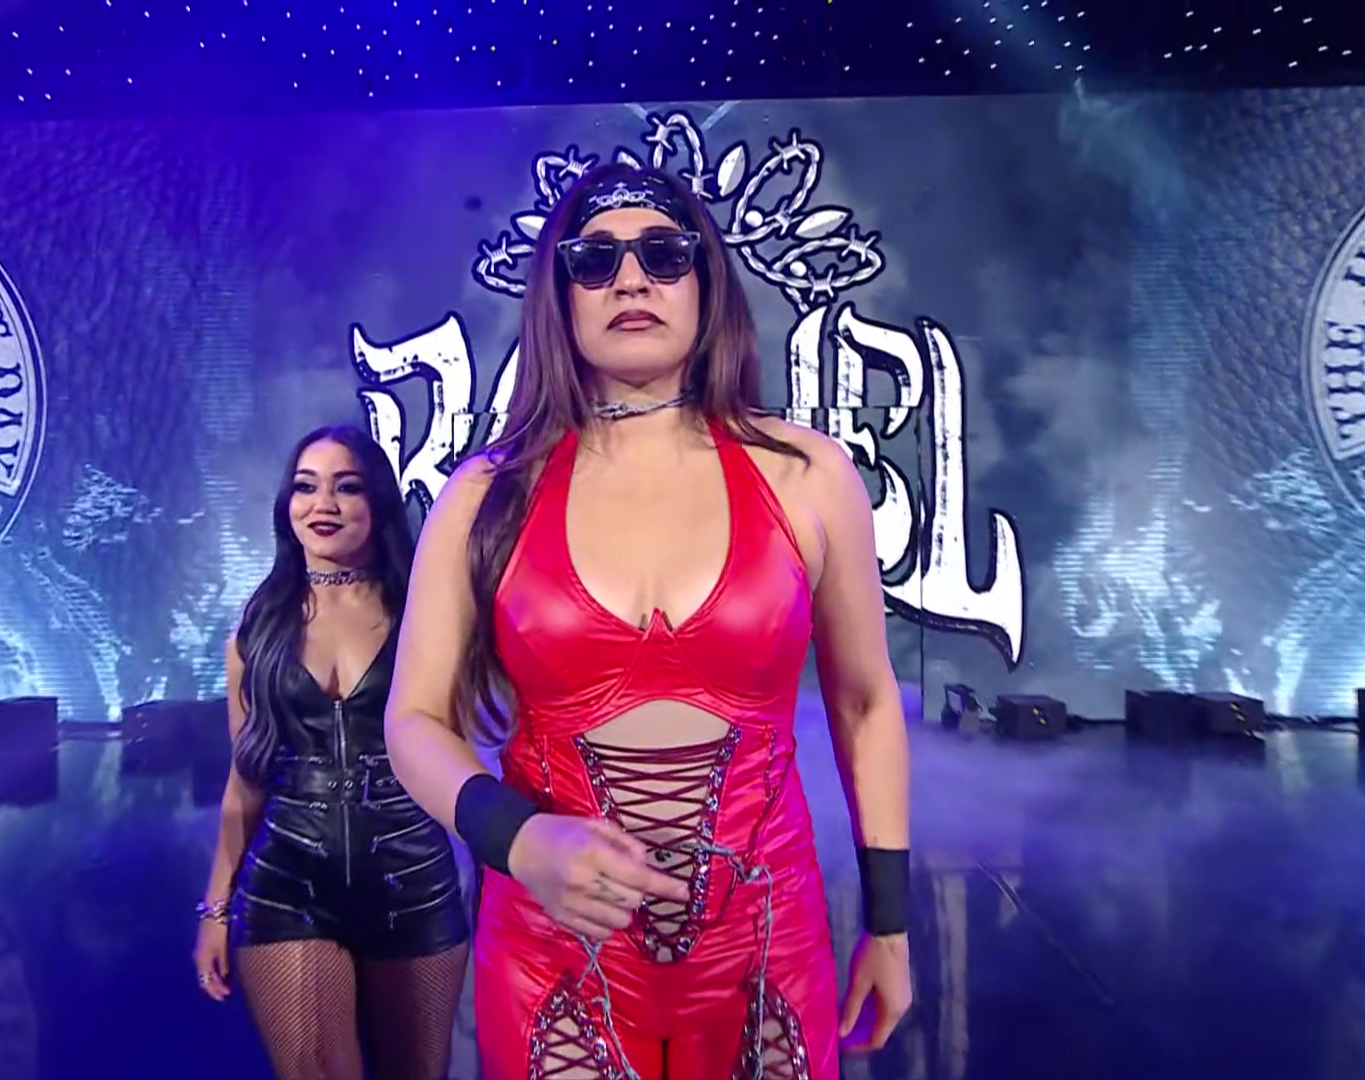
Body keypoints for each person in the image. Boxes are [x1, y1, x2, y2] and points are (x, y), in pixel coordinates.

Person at [384, 163, 915, 1079]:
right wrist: (518, 838)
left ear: (707, 283)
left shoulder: (809, 476)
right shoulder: (483, 496)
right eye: (596, 260)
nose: (631, 280)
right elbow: (413, 720)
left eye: (663, 255)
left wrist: (892, 924)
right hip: (553, 953)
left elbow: (865, 706)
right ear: (560, 295)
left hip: (766, 949)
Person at [194, 425, 471, 1080]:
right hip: (288, 887)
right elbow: (246, 778)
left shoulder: (426, 616)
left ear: (377, 503)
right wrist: (215, 908)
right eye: (305, 486)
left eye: (346, 487)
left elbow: (460, 753)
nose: (323, 504)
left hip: (413, 886)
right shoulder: (257, 629)